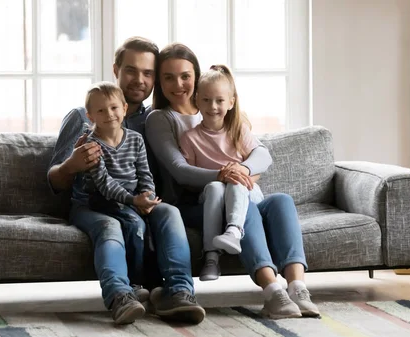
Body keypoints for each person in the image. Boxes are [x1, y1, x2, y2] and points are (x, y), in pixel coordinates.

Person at [146, 43, 321, 319]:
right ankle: (273, 291)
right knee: (244, 206)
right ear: (159, 81)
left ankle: (298, 287)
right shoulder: (161, 118)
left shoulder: (224, 112)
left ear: (197, 77)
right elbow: (180, 170)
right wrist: (224, 175)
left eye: (185, 76)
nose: (178, 84)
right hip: (199, 204)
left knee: (281, 202)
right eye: (168, 77)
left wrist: (241, 171)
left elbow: (261, 154)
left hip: (239, 192)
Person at [47, 37, 205, 325]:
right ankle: (120, 296)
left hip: (138, 201)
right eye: (131, 70)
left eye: (148, 73)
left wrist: (146, 198)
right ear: (116, 69)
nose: (139, 80)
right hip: (94, 206)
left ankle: (179, 291)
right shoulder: (83, 117)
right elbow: (53, 182)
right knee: (110, 225)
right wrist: (72, 165)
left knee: (169, 211)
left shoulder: (153, 121)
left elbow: (156, 174)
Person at [179, 64, 264, 282]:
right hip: (211, 195)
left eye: (219, 100)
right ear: (197, 100)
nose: (213, 106)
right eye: (206, 100)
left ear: (231, 102)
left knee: (235, 181)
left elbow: (261, 163)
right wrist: (218, 177)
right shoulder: (190, 138)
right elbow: (189, 180)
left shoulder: (238, 130)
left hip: (246, 194)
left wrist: (241, 176)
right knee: (217, 186)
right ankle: (211, 259)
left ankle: (234, 232)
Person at [82, 81, 161, 304]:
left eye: (114, 107)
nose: (109, 114)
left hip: (133, 198)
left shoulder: (135, 139)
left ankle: (156, 283)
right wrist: (132, 200)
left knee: (152, 226)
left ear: (124, 108)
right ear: (90, 116)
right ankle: (133, 284)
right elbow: (105, 184)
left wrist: (147, 195)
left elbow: (145, 172)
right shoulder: (92, 144)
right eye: (101, 110)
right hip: (103, 199)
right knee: (135, 225)